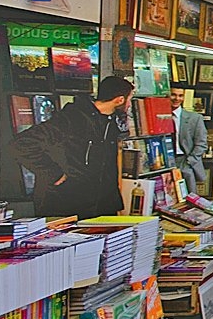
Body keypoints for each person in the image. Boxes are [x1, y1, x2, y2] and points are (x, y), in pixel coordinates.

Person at [12, 76, 134, 219]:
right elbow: (21, 143)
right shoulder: (71, 118)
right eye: (129, 99)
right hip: (68, 205)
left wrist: (114, 204)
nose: (130, 105)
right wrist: (53, 173)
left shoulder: (112, 122)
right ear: (119, 100)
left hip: (101, 207)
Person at [169, 83, 207, 194]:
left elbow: (201, 144)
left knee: (190, 196)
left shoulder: (195, 118)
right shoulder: (160, 116)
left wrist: (189, 161)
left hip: (185, 160)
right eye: (173, 95)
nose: (177, 98)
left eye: (180, 95)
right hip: (166, 162)